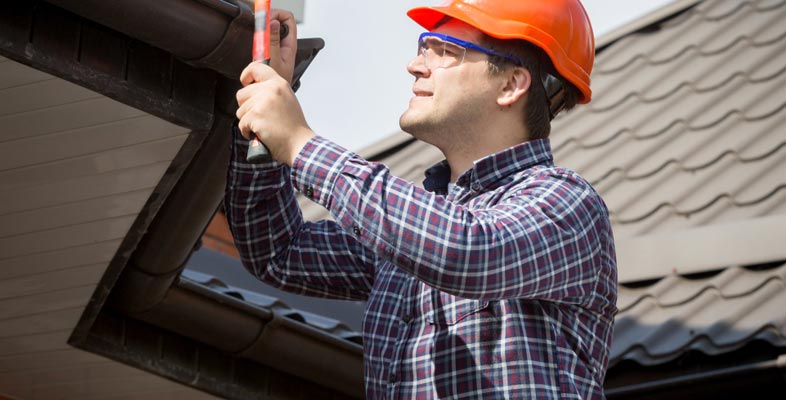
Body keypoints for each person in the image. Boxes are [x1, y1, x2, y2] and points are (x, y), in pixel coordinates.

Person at [227, 0, 617, 398]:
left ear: (510, 85)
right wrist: (263, 111)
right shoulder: (411, 228)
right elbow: (279, 249)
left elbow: (465, 251)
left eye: (444, 51)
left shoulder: (568, 205)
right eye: (423, 47)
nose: (415, 66)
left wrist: (300, 144)